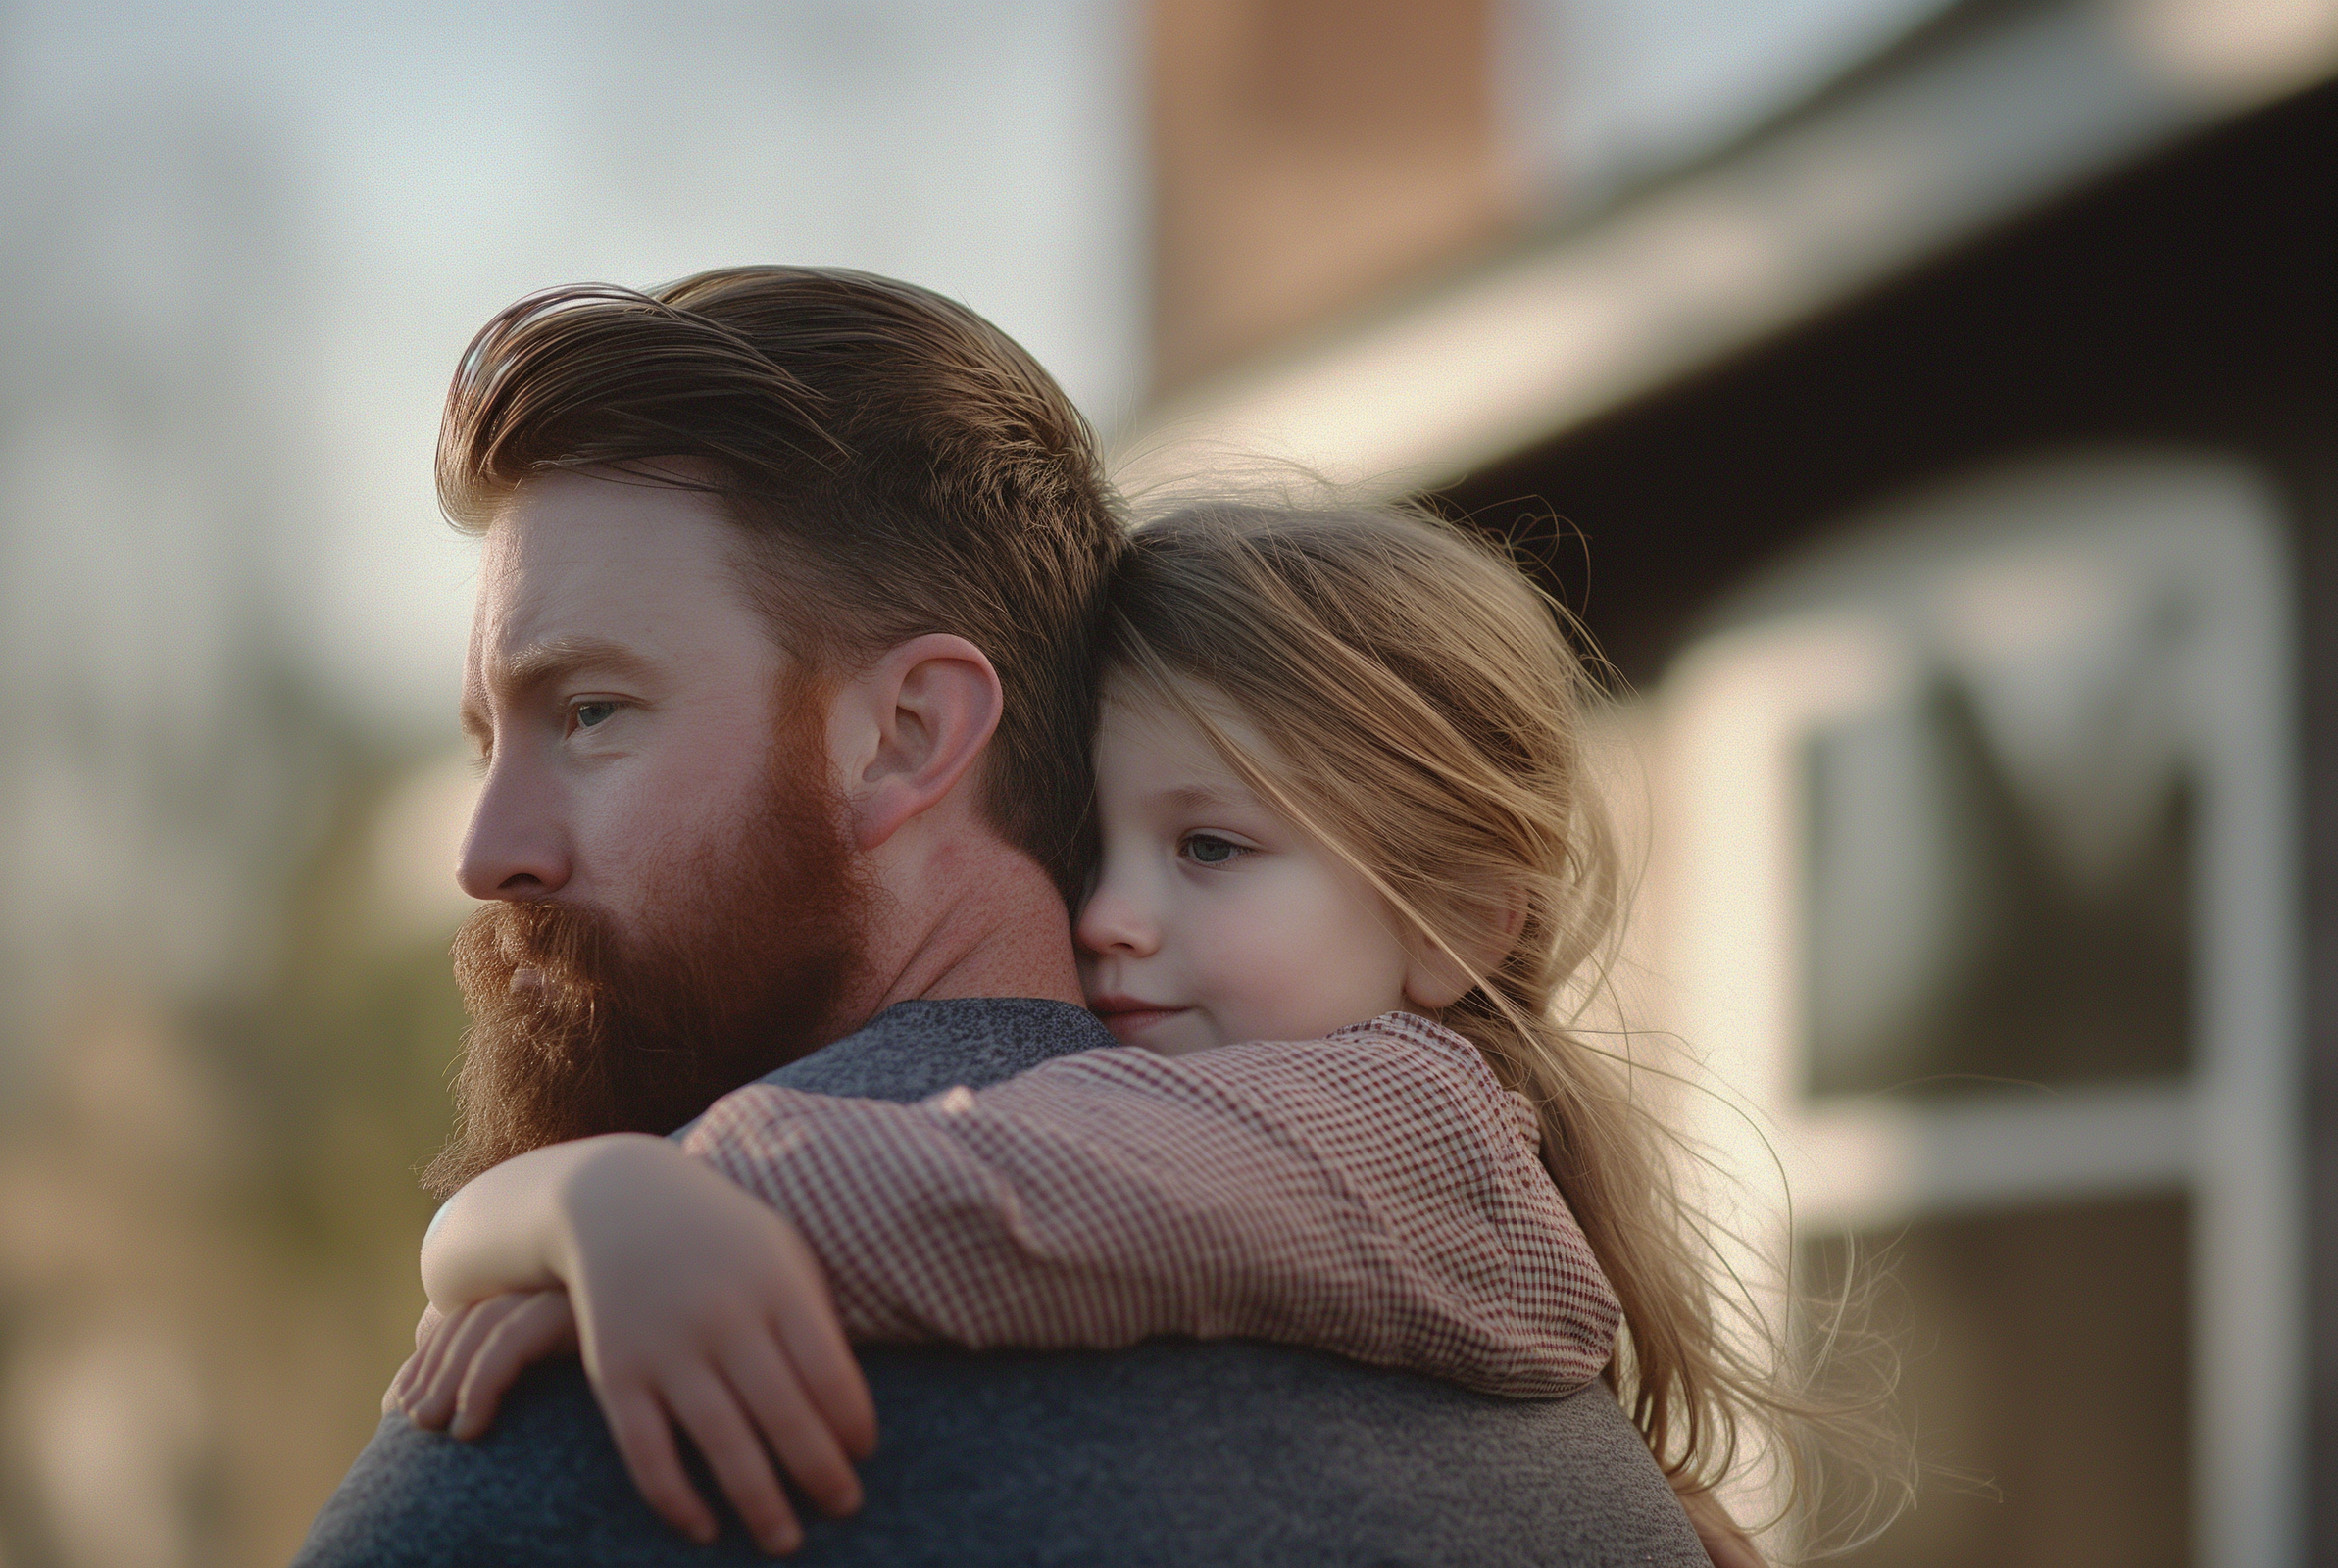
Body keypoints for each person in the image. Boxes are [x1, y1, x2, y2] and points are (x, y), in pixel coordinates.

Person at [292, 268, 1716, 1566]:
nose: (485, 856)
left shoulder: (635, 1380)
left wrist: (624, 1203)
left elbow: (988, 1194)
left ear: (912, 733)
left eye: (593, 713)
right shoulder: (1561, 1420)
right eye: (488, 742)